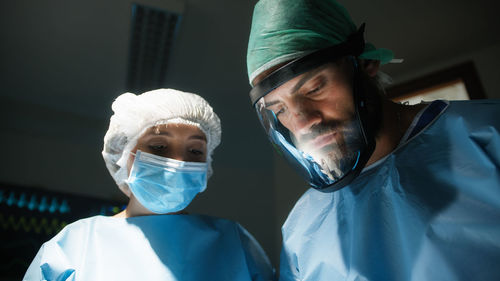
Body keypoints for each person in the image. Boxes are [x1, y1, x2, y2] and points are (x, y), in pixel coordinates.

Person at [245, 0, 500, 280]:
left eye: (314, 88)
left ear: (366, 63)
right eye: (279, 110)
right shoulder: (302, 229)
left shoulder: (486, 135)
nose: (302, 122)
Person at [23, 89, 275, 281]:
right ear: (124, 154)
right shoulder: (76, 245)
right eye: (159, 147)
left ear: (207, 164)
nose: (179, 162)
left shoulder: (233, 243)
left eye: (195, 150)